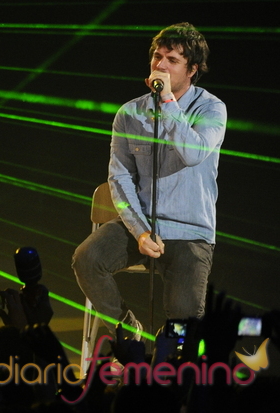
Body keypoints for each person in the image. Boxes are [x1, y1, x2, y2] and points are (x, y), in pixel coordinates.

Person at [72, 22, 226, 335]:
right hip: (140, 226)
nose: (160, 65)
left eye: (172, 60)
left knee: (183, 324)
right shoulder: (129, 113)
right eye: (157, 56)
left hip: (190, 231)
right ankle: (127, 334)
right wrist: (141, 232)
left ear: (192, 69)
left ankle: (165, 368)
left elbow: (193, 153)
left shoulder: (211, 109)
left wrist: (168, 103)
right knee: (86, 259)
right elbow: (120, 177)